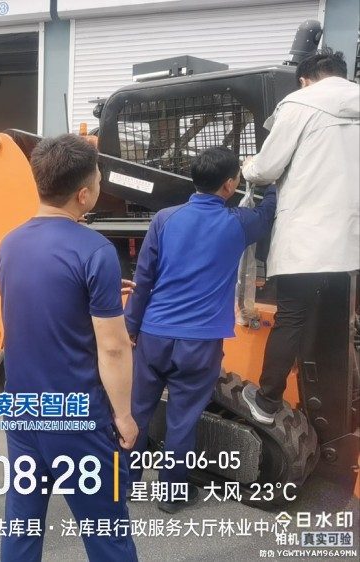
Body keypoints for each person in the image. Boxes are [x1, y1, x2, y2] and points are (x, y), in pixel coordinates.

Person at [0, 134, 138, 561]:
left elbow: (40, 307)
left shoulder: (9, 243)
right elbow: (114, 348)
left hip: (22, 408)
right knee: (106, 530)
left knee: (22, 523)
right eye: (98, 178)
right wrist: (124, 416)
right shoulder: (95, 250)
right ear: (84, 195)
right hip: (77, 417)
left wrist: (98, 295)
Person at [124, 147, 276, 513]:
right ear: (229, 185)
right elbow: (268, 213)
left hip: (154, 334)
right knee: (182, 420)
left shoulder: (164, 219)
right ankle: (171, 495)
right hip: (200, 343)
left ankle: (123, 484)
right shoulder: (239, 223)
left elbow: (143, 280)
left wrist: (131, 327)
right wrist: (268, 177)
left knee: (137, 412)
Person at [239, 48, 360, 424]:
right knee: (343, 319)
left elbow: (267, 167)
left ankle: (267, 402)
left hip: (308, 237)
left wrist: (248, 167)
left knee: (292, 316)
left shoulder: (300, 103)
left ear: (305, 80)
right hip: (352, 238)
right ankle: (344, 404)